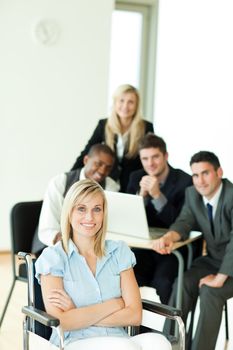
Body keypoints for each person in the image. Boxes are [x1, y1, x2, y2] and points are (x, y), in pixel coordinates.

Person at [35, 179, 172, 350]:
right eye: (81, 209)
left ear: (104, 213)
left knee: (160, 343)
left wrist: (77, 312)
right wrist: (115, 304)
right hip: (74, 341)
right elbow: (62, 321)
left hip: (119, 338)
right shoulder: (53, 258)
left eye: (97, 209)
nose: (89, 217)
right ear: (69, 213)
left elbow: (135, 315)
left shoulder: (119, 252)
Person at [152, 151, 233, 350]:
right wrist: (169, 237)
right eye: (195, 175)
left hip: (229, 266)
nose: (200, 181)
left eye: (205, 173)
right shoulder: (193, 194)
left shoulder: (231, 196)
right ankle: (170, 344)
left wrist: (220, 277)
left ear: (219, 172)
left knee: (210, 292)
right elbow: (184, 222)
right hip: (214, 260)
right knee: (183, 283)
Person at [127, 133, 193, 304]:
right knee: (128, 277)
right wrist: (141, 196)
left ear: (166, 156)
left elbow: (181, 222)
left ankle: (161, 330)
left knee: (163, 283)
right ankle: (134, 328)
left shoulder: (184, 181)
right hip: (143, 247)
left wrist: (157, 195)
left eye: (155, 157)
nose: (150, 163)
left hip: (171, 249)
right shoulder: (135, 177)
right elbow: (128, 221)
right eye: (145, 158)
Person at [71, 84, 154, 192]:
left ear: (136, 106)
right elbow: (87, 152)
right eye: (121, 100)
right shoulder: (104, 125)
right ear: (115, 102)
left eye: (131, 102)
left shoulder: (146, 127)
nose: (125, 106)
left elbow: (151, 155)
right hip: (108, 182)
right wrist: (71, 177)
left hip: (134, 184)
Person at [37, 144, 119, 248]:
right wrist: (73, 247)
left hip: (93, 247)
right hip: (55, 245)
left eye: (108, 168)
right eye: (98, 164)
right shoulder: (60, 182)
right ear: (85, 160)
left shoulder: (111, 186)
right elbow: (49, 229)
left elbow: (110, 224)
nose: (102, 171)